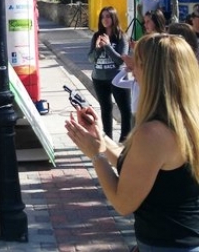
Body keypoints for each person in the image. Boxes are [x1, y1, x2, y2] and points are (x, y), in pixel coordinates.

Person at [67, 34, 199, 251]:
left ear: (153, 73)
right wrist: (101, 138)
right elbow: (141, 170)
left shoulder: (153, 133)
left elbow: (123, 203)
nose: (131, 71)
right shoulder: (186, 121)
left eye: (137, 64)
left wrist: (97, 155)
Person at [88, 6, 131, 142]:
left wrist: (107, 45)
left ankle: (124, 141)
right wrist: (98, 49)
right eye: (102, 17)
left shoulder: (121, 37)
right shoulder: (96, 36)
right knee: (106, 110)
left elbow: (119, 60)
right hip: (99, 79)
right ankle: (107, 140)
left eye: (108, 16)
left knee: (125, 110)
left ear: (113, 18)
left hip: (117, 79)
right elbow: (91, 58)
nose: (105, 19)